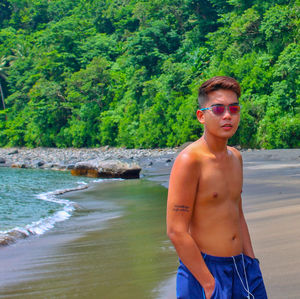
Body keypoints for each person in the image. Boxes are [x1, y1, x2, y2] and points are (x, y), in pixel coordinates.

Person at [166, 76, 268, 299]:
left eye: (233, 108)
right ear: (202, 116)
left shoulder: (236, 158)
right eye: (218, 109)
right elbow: (176, 230)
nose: (228, 116)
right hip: (204, 271)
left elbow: (236, 212)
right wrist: (209, 283)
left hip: (242, 267)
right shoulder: (190, 161)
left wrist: (251, 262)